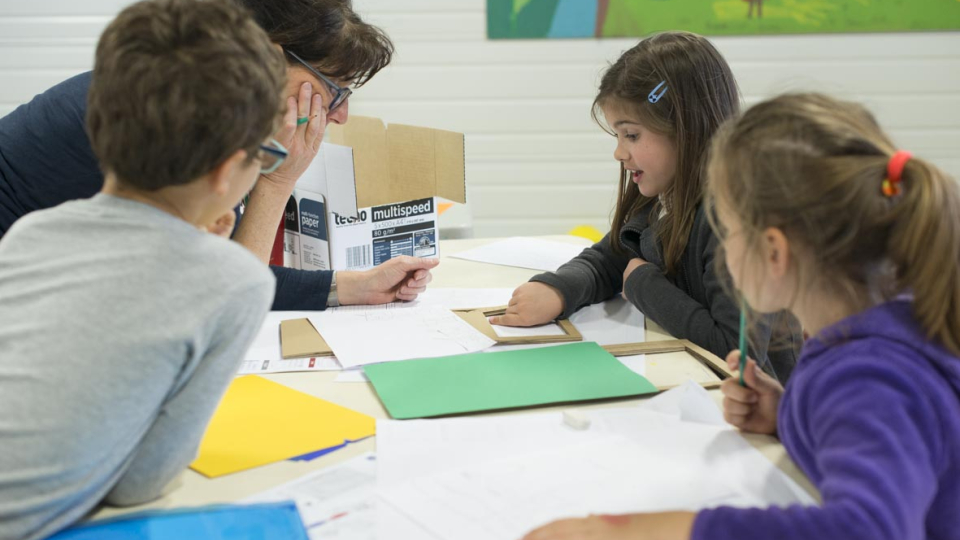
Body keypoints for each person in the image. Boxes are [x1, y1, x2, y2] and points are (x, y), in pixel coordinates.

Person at [523, 93, 960, 540]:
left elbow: (869, 530)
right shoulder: (875, 331)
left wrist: (645, 532)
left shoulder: (868, 375)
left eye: (727, 230)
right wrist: (789, 415)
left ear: (773, 251)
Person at [0, 1, 288, 538]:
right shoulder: (235, 280)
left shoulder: (31, 233)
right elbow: (141, 483)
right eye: (266, 157)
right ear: (228, 170)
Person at [0, 0, 437, 311]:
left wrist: (352, 287)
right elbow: (219, 298)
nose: (339, 114)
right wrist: (277, 179)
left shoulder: (190, 100)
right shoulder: (170, 121)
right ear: (269, 56)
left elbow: (217, 272)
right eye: (334, 88)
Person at [490, 31, 798, 381]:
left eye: (632, 136)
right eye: (618, 136)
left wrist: (642, 284)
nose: (619, 152)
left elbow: (735, 352)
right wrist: (559, 289)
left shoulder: (738, 221)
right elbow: (612, 255)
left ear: (686, 129)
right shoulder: (662, 195)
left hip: (764, 416)